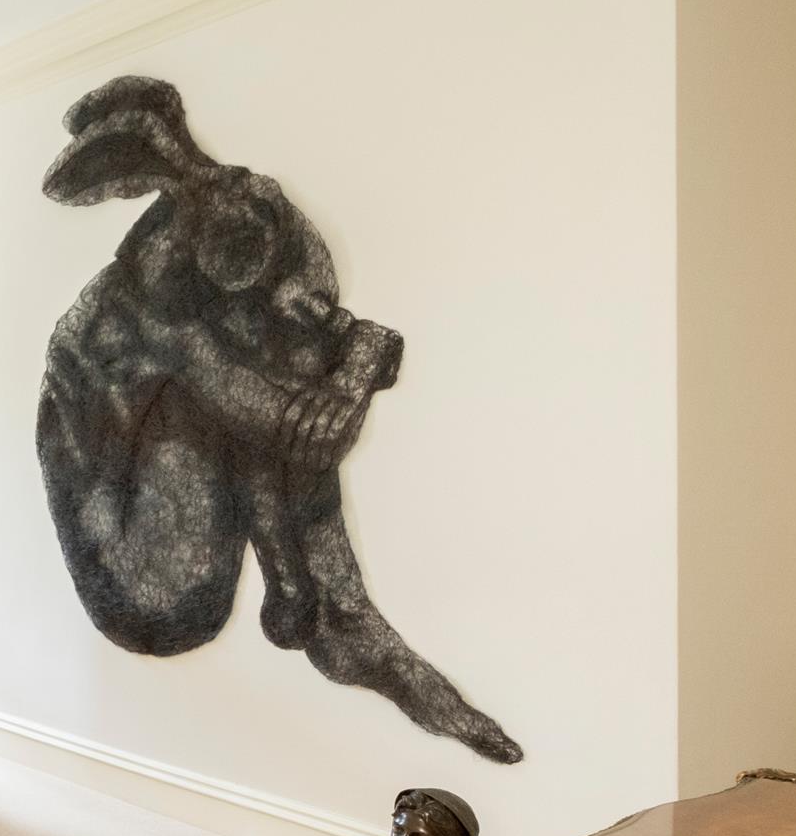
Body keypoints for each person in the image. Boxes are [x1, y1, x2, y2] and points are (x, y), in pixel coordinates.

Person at [37, 76, 521, 764]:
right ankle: (304, 590)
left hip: (180, 498)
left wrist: (352, 357)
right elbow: (294, 425)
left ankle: (308, 594)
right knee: (264, 384)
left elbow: (308, 382)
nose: (303, 307)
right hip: (139, 575)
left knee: (279, 365)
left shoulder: (242, 264)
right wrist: (356, 365)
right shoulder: (148, 315)